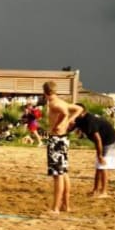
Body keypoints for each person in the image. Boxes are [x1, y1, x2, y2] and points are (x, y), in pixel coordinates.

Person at [43, 81, 83, 214]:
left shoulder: (54, 104)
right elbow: (79, 109)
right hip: (63, 139)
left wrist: (59, 124)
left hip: (56, 140)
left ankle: (55, 208)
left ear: (45, 93)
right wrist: (71, 119)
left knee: (57, 175)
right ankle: (66, 205)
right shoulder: (62, 102)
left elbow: (64, 113)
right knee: (64, 173)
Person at [72, 107, 115, 197]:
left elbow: (98, 140)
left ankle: (104, 192)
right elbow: (70, 128)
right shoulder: (79, 118)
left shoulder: (90, 120)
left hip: (108, 140)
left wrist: (100, 155)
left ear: (83, 112)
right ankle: (95, 190)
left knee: (103, 166)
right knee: (98, 166)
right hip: (103, 140)